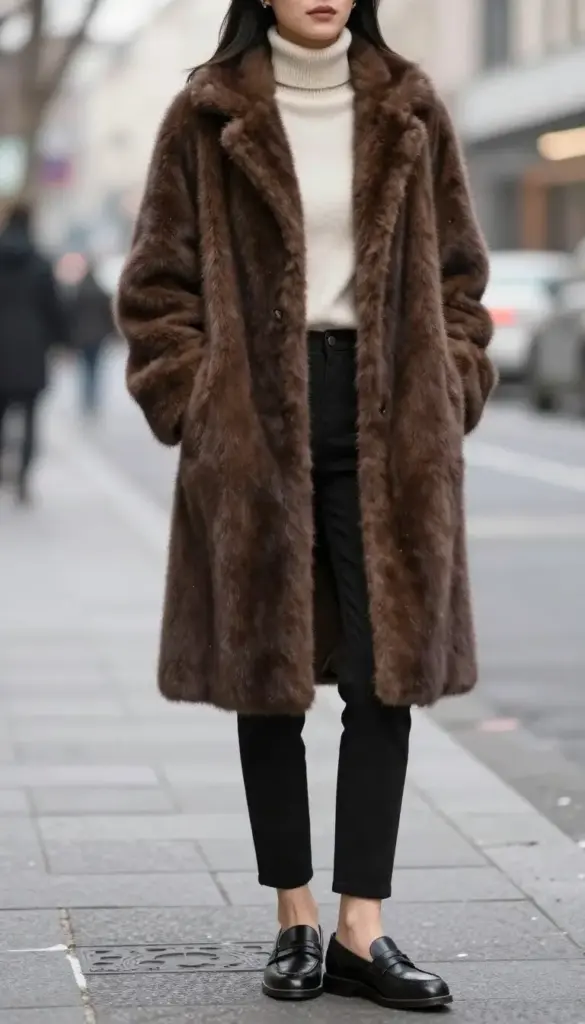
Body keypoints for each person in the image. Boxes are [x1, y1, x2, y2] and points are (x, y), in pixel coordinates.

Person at [116, 0, 495, 1010]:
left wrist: (449, 382)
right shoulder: (205, 113)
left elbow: (461, 275)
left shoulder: (411, 106)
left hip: (390, 420)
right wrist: (200, 401)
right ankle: (294, 918)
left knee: (386, 675)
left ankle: (362, 928)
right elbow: (156, 288)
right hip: (256, 420)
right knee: (267, 675)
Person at [0, 202, 67, 504]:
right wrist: (60, 341)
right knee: (29, 418)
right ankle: (24, 478)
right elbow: (54, 309)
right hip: (30, 349)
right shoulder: (40, 263)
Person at [68, 262, 114, 417]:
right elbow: (109, 316)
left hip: (82, 337)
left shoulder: (78, 291)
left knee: (84, 369)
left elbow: (71, 316)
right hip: (98, 337)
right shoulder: (101, 292)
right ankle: (93, 400)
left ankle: (85, 400)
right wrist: (110, 333)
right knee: (94, 369)